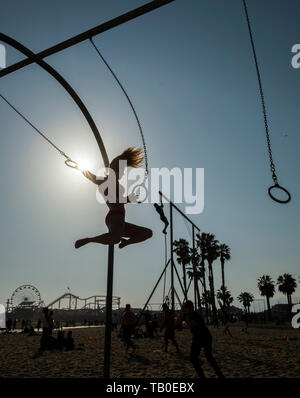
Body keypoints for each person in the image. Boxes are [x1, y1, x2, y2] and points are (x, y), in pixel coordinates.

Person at [75, 147, 152, 249]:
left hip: (121, 219)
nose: (124, 173)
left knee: (147, 233)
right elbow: (115, 199)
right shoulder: (105, 181)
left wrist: (131, 198)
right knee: (115, 238)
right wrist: (80, 168)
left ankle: (126, 243)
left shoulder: (117, 184)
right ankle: (89, 240)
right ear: (117, 169)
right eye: (123, 170)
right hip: (114, 216)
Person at [176, 301, 224, 379]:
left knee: (209, 357)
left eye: (192, 307)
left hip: (205, 337)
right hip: (197, 338)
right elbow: (177, 323)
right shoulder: (185, 315)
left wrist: (185, 315)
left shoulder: (196, 315)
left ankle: (220, 375)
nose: (192, 308)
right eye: (190, 307)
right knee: (193, 358)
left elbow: (192, 325)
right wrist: (181, 314)